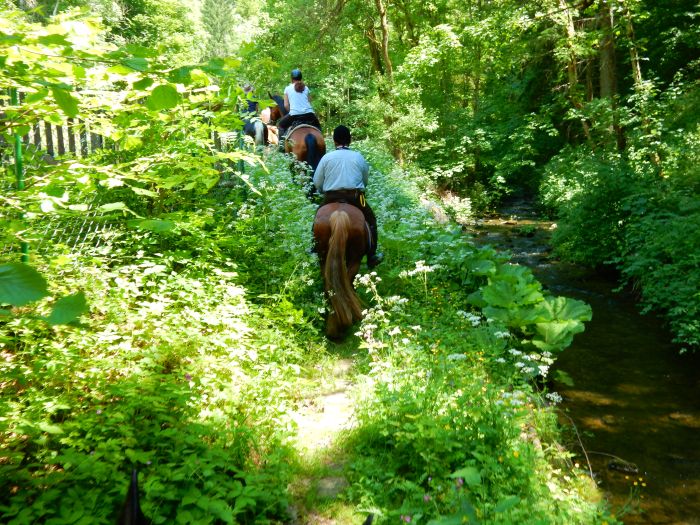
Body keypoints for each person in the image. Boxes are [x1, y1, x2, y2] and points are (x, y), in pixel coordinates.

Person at [313, 125, 383, 268]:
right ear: (350, 140)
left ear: (334, 141)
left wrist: (322, 190)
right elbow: (365, 181)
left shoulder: (327, 158)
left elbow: (317, 182)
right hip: (357, 197)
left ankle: (314, 247)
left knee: (317, 218)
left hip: (330, 197)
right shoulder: (358, 157)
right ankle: (372, 255)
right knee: (371, 219)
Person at [277, 69, 321, 151]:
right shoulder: (306, 88)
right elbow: (309, 101)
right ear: (301, 78)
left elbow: (286, 105)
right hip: (309, 114)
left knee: (281, 125)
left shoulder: (287, 89)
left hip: (294, 115)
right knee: (318, 127)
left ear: (291, 78)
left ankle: (281, 148)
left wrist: (292, 110)